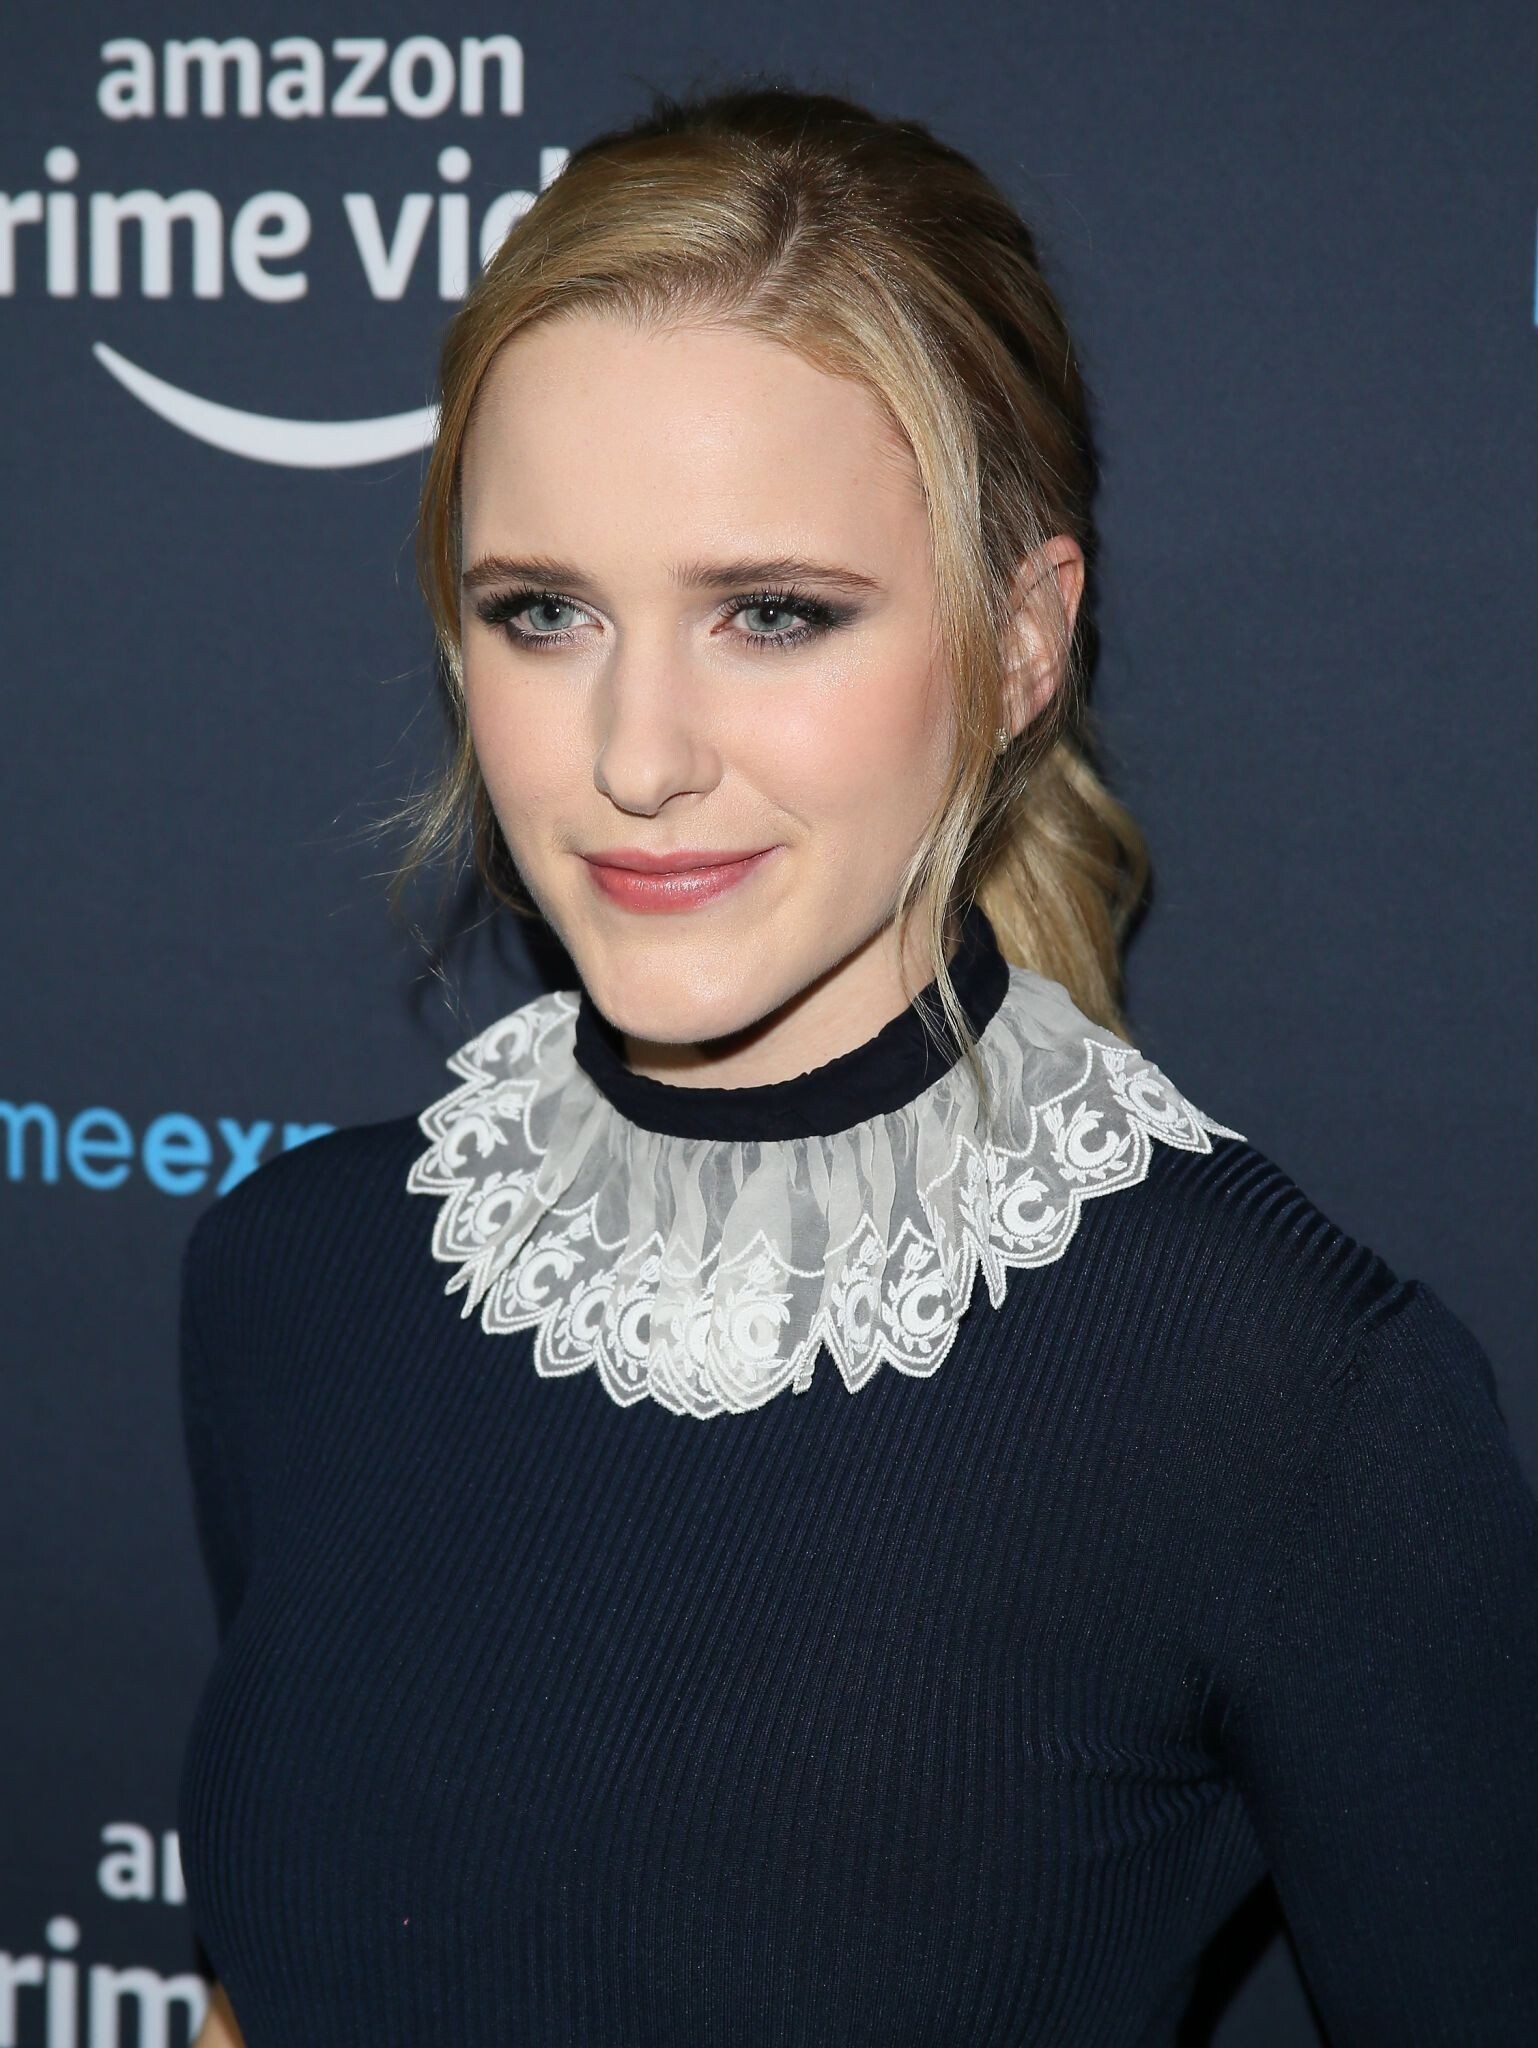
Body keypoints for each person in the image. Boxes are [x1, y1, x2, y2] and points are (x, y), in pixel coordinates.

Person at [177, 81, 1538, 2048]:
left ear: (1019, 642)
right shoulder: (291, 1281)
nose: (636, 755)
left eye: (772, 615)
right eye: (543, 612)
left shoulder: (1282, 1401)